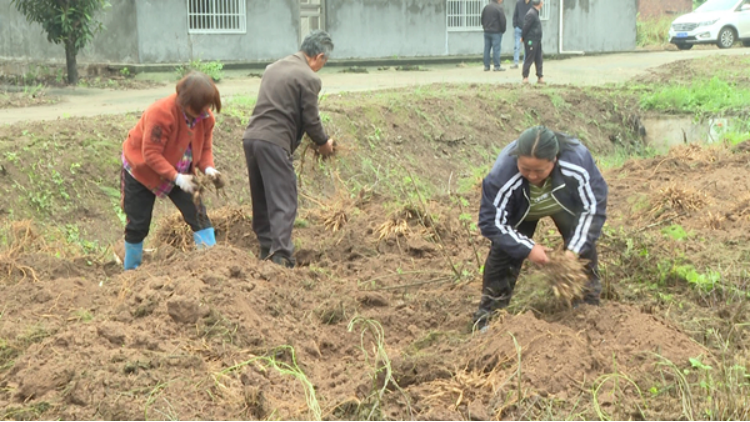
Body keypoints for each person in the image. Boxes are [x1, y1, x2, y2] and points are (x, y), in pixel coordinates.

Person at [473, 125, 608, 330]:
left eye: (539, 170)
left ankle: (588, 309)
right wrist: (528, 248)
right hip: (522, 210)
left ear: (554, 160)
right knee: (504, 253)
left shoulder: (576, 162)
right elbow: (491, 221)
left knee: (582, 247)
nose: (532, 176)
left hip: (565, 205)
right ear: (517, 158)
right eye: (525, 169)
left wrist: (573, 251)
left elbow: (592, 207)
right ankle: (489, 318)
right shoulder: (503, 174)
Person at [242, 30, 335, 268]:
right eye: (324, 62)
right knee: (284, 197)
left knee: (261, 196)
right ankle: (282, 255)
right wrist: (323, 144)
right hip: (274, 141)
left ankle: (265, 249)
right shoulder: (309, 78)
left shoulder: (273, 68)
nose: (322, 66)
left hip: (252, 138)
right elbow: (311, 119)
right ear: (319, 57)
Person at [120, 71, 223, 270]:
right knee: (138, 224)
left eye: (207, 107)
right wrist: (177, 178)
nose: (204, 112)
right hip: (142, 171)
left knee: (199, 215)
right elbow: (150, 154)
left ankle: (210, 266)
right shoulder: (160, 113)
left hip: (181, 171)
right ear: (185, 102)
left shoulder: (205, 118)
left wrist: (209, 169)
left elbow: (205, 149)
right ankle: (131, 271)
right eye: (199, 108)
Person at [521, 0, 544, 84]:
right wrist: (523, 37)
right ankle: (525, 77)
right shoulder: (531, 14)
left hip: (537, 40)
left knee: (539, 58)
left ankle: (540, 76)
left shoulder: (535, 13)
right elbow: (526, 27)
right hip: (531, 40)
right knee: (529, 58)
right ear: (540, 4)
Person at [481, 0, 507, 72]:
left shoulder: (486, 7)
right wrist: (503, 30)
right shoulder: (499, 8)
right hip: (496, 32)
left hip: (487, 31)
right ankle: (497, 66)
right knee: (496, 49)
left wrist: (485, 27)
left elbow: (482, 19)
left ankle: (486, 66)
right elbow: (503, 20)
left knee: (487, 49)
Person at [512, 0, 532, 69]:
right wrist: (515, 25)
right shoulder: (518, 3)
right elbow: (515, 14)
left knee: (527, 46)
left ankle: (525, 63)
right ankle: (516, 63)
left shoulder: (532, 4)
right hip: (519, 28)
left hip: (528, 29)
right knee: (517, 46)